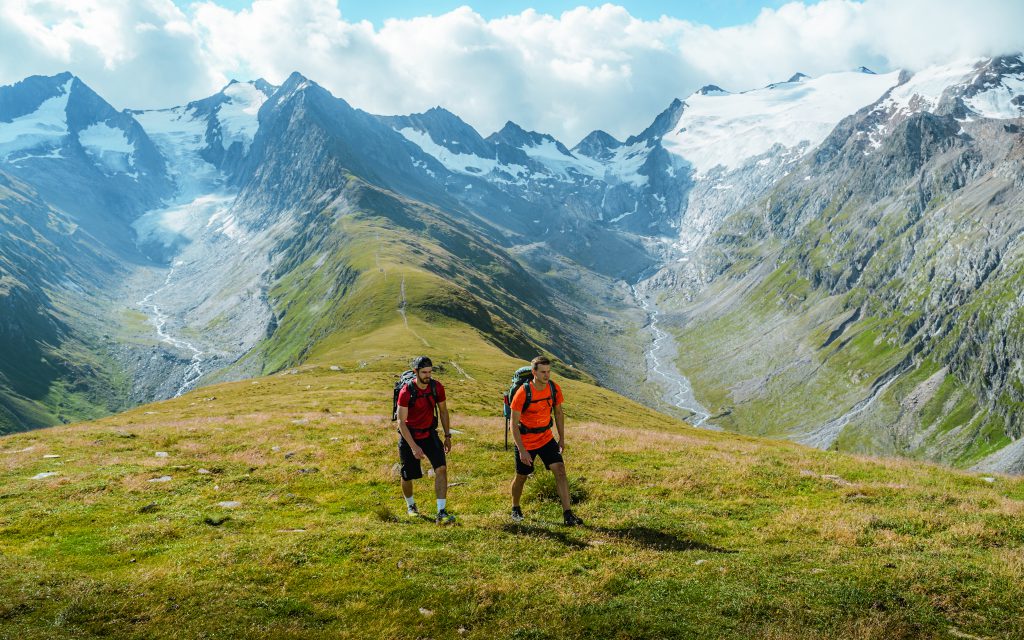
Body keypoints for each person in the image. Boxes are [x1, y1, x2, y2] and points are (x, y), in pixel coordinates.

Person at [508, 355, 584, 526]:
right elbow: (513, 424)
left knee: (560, 470)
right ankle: (515, 507)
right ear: (534, 372)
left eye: (548, 372)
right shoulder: (522, 392)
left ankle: (568, 514)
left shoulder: (553, 388)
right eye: (543, 372)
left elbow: (558, 413)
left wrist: (562, 438)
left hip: (546, 437)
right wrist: (522, 450)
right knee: (522, 476)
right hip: (526, 440)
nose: (546, 375)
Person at [396, 356, 455, 524]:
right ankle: (411, 506)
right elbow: (401, 422)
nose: (428, 375)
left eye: (430, 371)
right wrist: (414, 447)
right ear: (416, 372)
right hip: (409, 436)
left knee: (441, 469)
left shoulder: (437, 387)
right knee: (408, 475)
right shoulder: (406, 391)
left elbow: (443, 411)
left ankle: (441, 512)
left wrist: (447, 436)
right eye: (424, 372)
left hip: (429, 434)